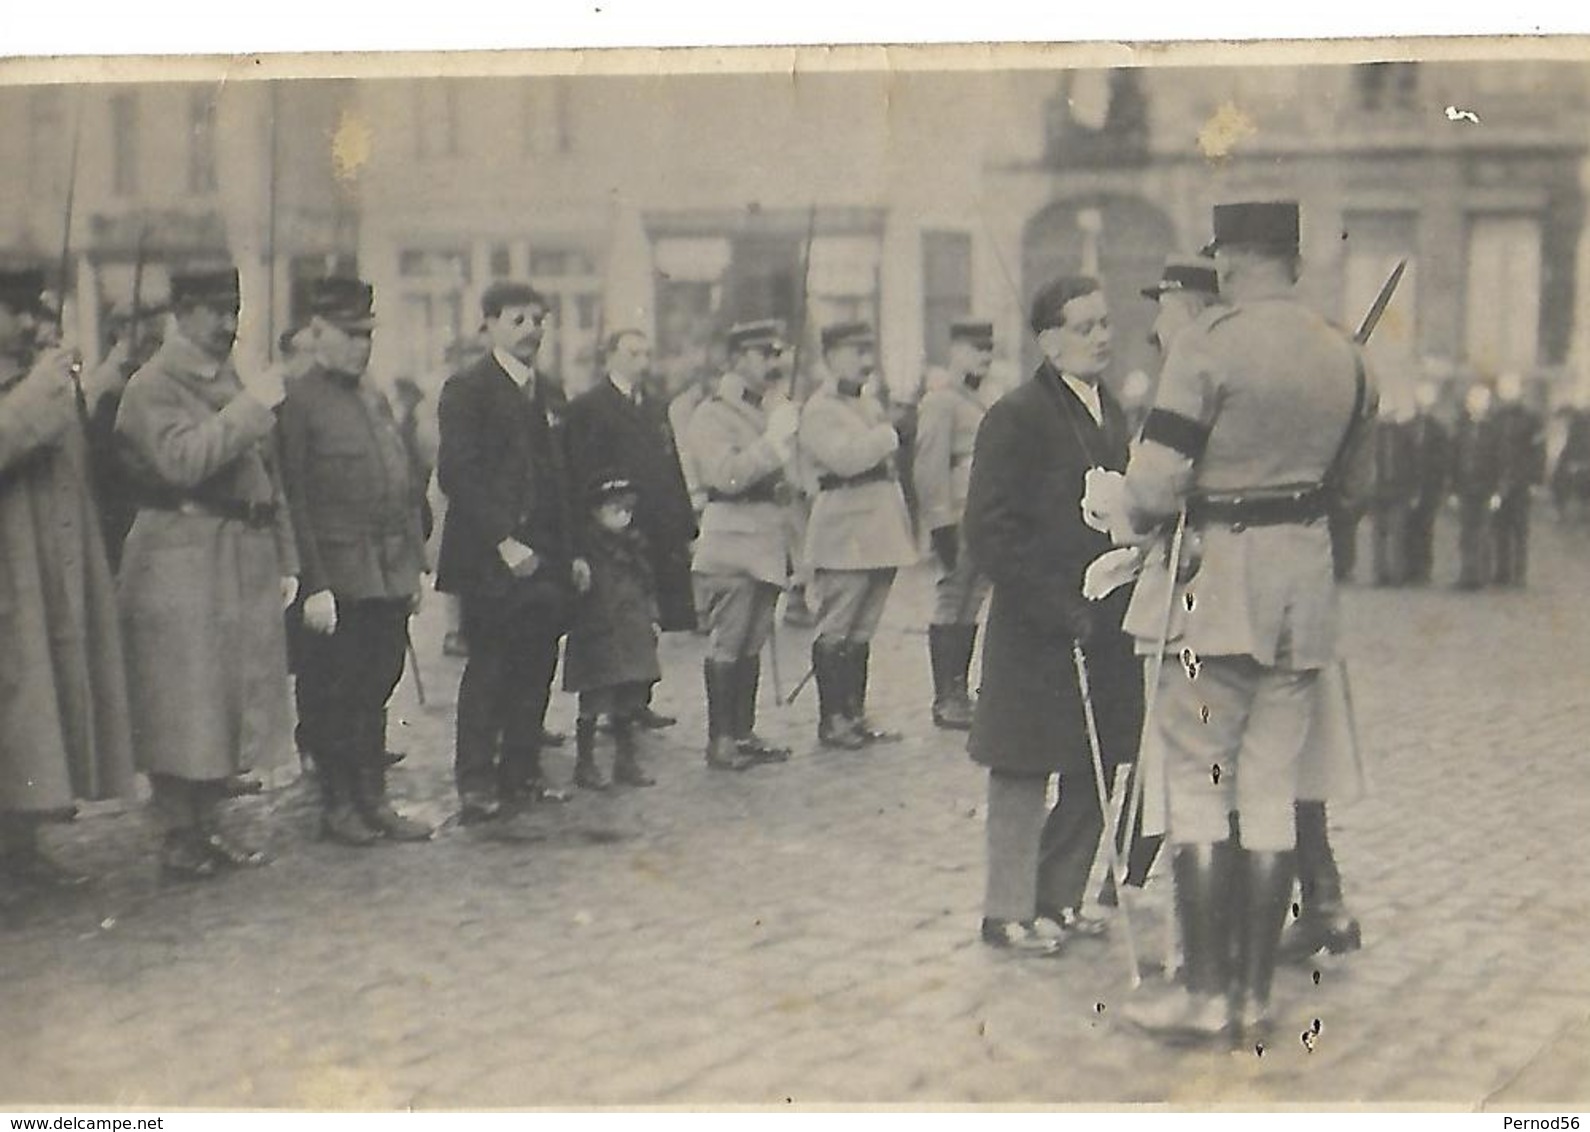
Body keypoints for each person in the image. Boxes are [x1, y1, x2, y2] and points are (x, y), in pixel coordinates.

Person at [1114, 201, 1376, 1043]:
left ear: (1227, 262)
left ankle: (1207, 994)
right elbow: (1357, 491)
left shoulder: (1207, 347)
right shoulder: (1346, 356)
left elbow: (1153, 489)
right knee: (1269, 791)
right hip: (1304, 593)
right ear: (1291, 260)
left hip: (1212, 591)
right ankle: (1257, 997)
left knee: (1196, 787)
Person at [962, 276, 1143, 955]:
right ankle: (1007, 911)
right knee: (1023, 761)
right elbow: (988, 529)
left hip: (1104, 616)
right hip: (1038, 621)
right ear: (1047, 340)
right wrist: (1053, 603)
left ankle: (1059, 898)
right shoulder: (1015, 416)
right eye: (1084, 326)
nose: (1102, 336)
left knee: (1096, 759)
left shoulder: (1113, 412)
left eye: (1105, 323)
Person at [115, 268, 299, 880]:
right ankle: (177, 833)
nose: (228, 323)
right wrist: (251, 408)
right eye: (215, 310)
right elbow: (181, 461)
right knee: (183, 698)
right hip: (180, 555)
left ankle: (204, 826)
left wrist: (286, 555)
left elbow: (266, 479)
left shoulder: (230, 377)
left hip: (234, 552)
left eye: (235, 309)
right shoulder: (153, 384)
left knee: (223, 695)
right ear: (181, 311)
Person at [277, 277, 433, 847]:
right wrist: (313, 583)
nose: (360, 347)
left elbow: (401, 483)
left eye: (367, 335)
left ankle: (373, 798)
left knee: (378, 684)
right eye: (349, 335)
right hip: (337, 577)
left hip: (387, 570)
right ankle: (338, 803)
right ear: (317, 332)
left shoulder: (374, 395)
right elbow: (292, 499)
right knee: (334, 692)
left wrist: (413, 565)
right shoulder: (296, 400)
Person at [0, 268, 138, 898]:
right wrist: (33, 396)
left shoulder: (35, 377)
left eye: (34, 309)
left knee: (33, 715)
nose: (31, 322)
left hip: (39, 576)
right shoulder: (27, 386)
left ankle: (21, 845)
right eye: (16, 310)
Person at [435, 281, 584, 827]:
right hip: (488, 557)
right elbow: (458, 473)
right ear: (490, 325)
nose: (531, 331)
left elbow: (562, 479)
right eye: (518, 320)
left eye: (538, 320)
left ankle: (521, 771)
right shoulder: (466, 389)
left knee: (536, 664)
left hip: (544, 555)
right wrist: (503, 540)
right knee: (490, 666)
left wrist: (572, 552)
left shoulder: (549, 392)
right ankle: (475, 781)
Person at [565, 328, 700, 728]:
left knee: (646, 618)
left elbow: (669, 465)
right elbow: (579, 472)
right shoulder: (589, 407)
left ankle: (637, 700)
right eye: (632, 353)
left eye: (646, 354)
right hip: (610, 531)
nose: (642, 362)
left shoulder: (655, 406)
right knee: (610, 617)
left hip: (651, 529)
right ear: (610, 356)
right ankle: (604, 704)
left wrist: (684, 524)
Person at [798, 322, 918, 750]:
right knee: (838, 625)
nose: (865, 361)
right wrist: (891, 433)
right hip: (844, 530)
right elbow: (845, 459)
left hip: (879, 530)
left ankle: (853, 713)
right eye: (854, 353)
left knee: (862, 630)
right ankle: (832, 719)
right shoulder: (819, 408)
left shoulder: (867, 403)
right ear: (828, 357)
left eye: (868, 352)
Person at [685, 319, 799, 771]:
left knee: (753, 639)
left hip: (768, 541)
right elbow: (725, 475)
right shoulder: (711, 414)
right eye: (762, 355)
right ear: (734, 361)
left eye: (776, 354)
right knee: (729, 641)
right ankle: (720, 740)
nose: (773, 363)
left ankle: (743, 731)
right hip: (731, 542)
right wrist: (773, 443)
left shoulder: (770, 408)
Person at [913, 320, 999, 731]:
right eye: (975, 349)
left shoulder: (977, 399)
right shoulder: (941, 400)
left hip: (984, 515)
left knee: (971, 600)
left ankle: (959, 691)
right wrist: (939, 522)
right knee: (953, 599)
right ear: (955, 351)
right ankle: (945, 697)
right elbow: (930, 466)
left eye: (988, 350)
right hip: (959, 516)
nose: (984, 356)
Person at [562, 476, 662, 790]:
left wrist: (653, 618)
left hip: (631, 633)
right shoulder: (585, 551)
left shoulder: (633, 546)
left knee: (627, 700)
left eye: (627, 511)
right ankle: (586, 763)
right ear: (595, 512)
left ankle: (625, 761)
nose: (622, 517)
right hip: (599, 634)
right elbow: (576, 593)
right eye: (614, 510)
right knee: (593, 700)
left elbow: (647, 587)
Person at [1493, 372, 1545, 586]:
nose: (1508, 395)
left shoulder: (1531, 419)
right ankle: (1502, 572)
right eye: (1504, 391)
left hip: (1522, 481)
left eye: (1512, 390)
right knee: (1499, 528)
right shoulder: (1494, 418)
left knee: (1520, 529)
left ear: (1519, 392)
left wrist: (1535, 480)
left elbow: (1538, 451)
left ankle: (1519, 574)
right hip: (1499, 482)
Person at [1451, 382, 1503, 590]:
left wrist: (1498, 491)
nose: (1476, 404)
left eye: (1481, 400)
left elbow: (1501, 462)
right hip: (1464, 488)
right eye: (1473, 400)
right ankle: (1467, 575)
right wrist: (1453, 490)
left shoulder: (1494, 431)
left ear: (1488, 404)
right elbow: (1453, 460)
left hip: (1486, 489)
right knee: (1466, 533)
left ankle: (1482, 576)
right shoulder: (1460, 429)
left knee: (1484, 533)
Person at [1403, 381, 1449, 584]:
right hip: (1407, 485)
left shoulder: (1439, 431)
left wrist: (1439, 484)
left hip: (1430, 486)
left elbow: (1443, 460)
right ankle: (1408, 569)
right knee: (1407, 528)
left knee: (1425, 528)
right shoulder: (1405, 428)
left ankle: (1423, 571)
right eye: (1421, 402)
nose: (1424, 407)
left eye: (1427, 403)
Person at [1370, 400, 1416, 586]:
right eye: (1384, 412)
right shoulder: (1372, 436)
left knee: (1398, 534)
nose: (1386, 416)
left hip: (1399, 490)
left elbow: (1414, 464)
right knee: (1378, 534)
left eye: (1389, 412)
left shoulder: (1405, 435)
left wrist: (1411, 489)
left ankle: (1398, 575)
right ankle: (1380, 575)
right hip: (1377, 491)